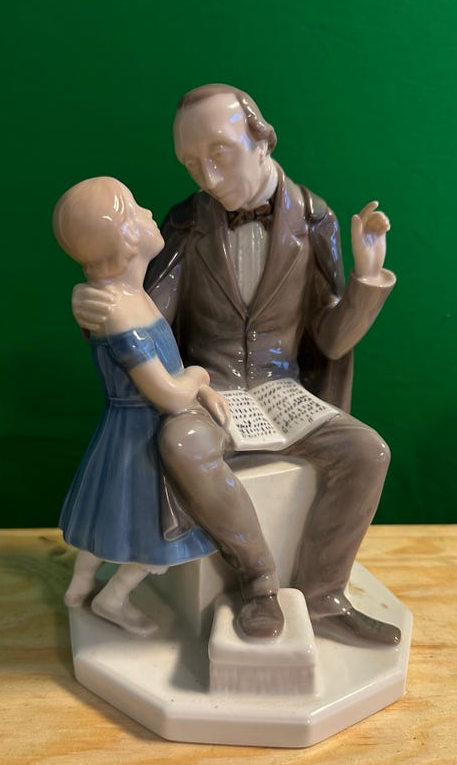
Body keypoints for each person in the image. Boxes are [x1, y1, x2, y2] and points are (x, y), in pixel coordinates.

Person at [73, 85, 401, 645]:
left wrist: (367, 279)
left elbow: (330, 340)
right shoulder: (185, 224)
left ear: (262, 140)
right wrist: (100, 297)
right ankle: (258, 581)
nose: (207, 176)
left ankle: (323, 596)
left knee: (368, 453)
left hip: (282, 388)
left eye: (219, 152)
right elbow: (148, 313)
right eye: (190, 163)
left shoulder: (314, 219)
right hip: (211, 389)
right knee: (183, 443)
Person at [54, 176, 284, 639]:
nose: (147, 212)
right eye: (136, 208)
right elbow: (167, 393)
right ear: (125, 239)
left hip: (123, 431)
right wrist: (198, 378)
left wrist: (202, 391)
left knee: (106, 521)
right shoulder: (121, 311)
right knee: (151, 533)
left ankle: (79, 588)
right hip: (144, 438)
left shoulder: (130, 296)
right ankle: (112, 599)